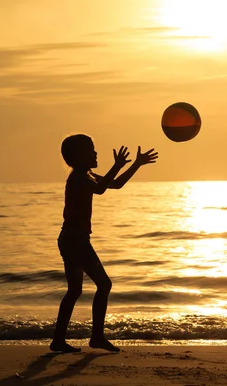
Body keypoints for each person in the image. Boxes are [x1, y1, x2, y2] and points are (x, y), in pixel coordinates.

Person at [50, 134, 158, 353]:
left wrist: (136, 164)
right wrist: (116, 165)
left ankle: (58, 340)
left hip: (71, 240)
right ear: (79, 156)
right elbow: (100, 189)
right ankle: (96, 337)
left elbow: (115, 184)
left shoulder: (85, 175)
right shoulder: (79, 177)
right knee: (103, 284)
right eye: (91, 150)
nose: (96, 153)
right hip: (75, 241)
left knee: (74, 291)